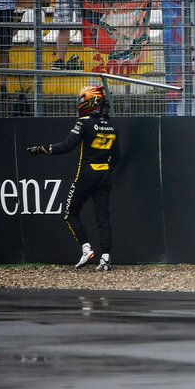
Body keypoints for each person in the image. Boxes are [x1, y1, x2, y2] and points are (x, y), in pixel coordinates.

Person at [26, 85, 120, 271]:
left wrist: (41, 150)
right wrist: (106, 171)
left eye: (82, 99)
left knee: (70, 213)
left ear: (91, 101)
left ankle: (86, 248)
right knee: (103, 217)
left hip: (86, 175)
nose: (79, 102)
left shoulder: (83, 122)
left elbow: (66, 146)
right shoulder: (112, 126)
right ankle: (106, 259)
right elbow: (117, 157)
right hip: (105, 175)